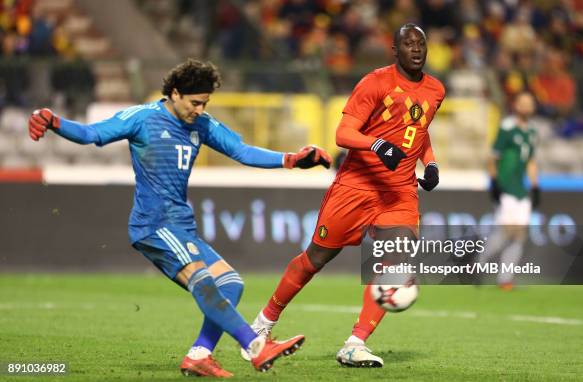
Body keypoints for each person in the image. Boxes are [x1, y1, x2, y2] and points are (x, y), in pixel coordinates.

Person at [27, 59, 332, 377]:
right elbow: (91, 134)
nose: (200, 110)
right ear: (175, 94)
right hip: (154, 224)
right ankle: (255, 346)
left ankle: (200, 355)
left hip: (180, 225)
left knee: (230, 283)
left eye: (205, 103)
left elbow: (241, 151)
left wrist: (291, 159)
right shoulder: (143, 118)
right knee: (202, 279)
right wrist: (54, 121)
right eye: (195, 102)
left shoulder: (202, 124)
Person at [242, 24, 445, 367]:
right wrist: (377, 144)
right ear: (394, 50)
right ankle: (262, 324)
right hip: (357, 186)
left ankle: (355, 342)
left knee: (394, 265)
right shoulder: (374, 82)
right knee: (315, 259)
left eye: (421, 43)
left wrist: (431, 162)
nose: (416, 48)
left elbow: (418, 129)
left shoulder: (436, 89)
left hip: (399, 193)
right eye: (408, 43)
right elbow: (343, 133)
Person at [480, 91, 539, 290]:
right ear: (516, 106)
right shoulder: (507, 128)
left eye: (529, 104)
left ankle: (505, 278)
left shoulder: (531, 132)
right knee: (503, 234)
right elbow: (492, 157)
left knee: (519, 236)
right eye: (523, 103)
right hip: (506, 187)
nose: (526, 107)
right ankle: (478, 267)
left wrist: (535, 186)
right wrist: (495, 182)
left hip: (521, 190)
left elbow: (530, 160)